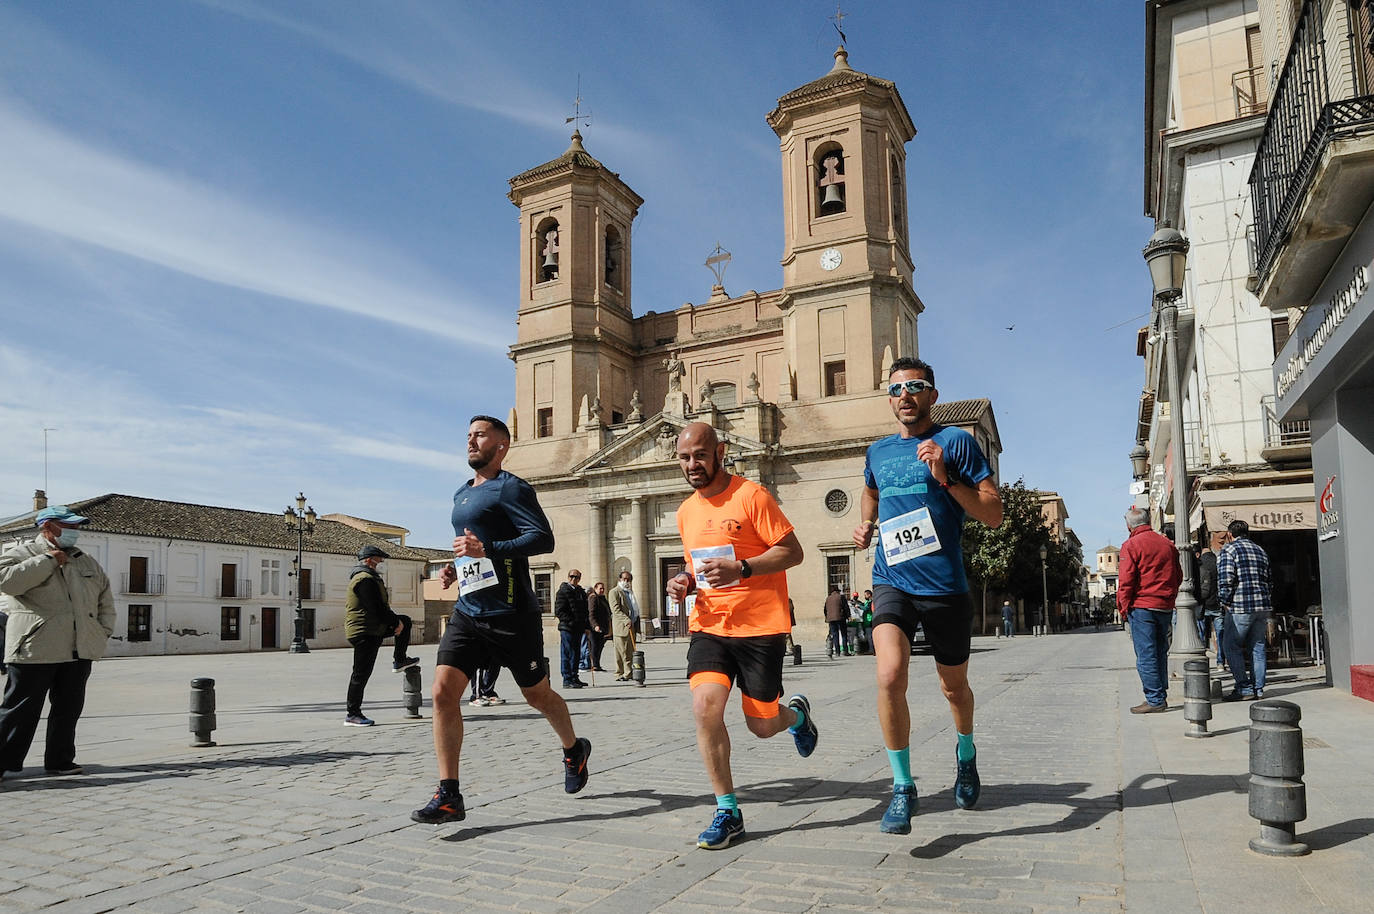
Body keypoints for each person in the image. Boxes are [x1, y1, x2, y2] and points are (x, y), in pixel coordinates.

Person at [411, 415, 591, 824]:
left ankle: (573, 749)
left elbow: (542, 538)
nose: (470, 441)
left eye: (480, 435)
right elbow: (470, 546)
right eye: (468, 435)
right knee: (442, 693)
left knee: (538, 696)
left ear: (501, 445)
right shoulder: (461, 493)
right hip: (468, 611)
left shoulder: (512, 488)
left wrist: (487, 548)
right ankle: (449, 795)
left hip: (512, 614)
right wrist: (456, 568)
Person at [851, 357, 1003, 835]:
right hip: (890, 578)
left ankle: (966, 753)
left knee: (953, 688)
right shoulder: (877, 451)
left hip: (944, 585)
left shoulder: (956, 442)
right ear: (889, 398)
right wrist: (867, 524)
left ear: (932, 395)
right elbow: (870, 492)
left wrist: (945, 477)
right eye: (896, 389)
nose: (905, 395)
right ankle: (902, 786)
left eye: (915, 386)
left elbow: (993, 514)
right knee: (889, 675)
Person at [666, 422, 817, 849]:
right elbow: (696, 565)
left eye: (700, 455)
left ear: (720, 452)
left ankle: (796, 717)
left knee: (762, 726)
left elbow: (793, 552)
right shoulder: (686, 511)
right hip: (710, 625)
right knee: (705, 708)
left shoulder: (752, 496)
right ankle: (727, 811)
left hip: (760, 627)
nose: (692, 465)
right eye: (684, 458)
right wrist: (683, 581)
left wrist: (743, 568)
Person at [0, 505, 114, 780]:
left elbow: (105, 599)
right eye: (69, 526)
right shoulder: (22, 554)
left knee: (68, 709)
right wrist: (48, 560)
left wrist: (102, 631)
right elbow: (6, 582)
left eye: (76, 527)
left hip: (79, 648)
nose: (75, 531)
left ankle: (60, 760)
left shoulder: (86, 561)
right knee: (20, 709)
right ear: (47, 526)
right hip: (35, 647)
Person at [343, 545, 418, 726]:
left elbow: (380, 608)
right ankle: (352, 714)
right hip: (364, 631)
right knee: (360, 674)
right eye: (379, 560)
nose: (381, 563)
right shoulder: (364, 580)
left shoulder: (369, 577)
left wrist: (396, 622)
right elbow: (375, 607)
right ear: (369, 560)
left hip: (373, 628)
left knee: (405, 621)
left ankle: (400, 660)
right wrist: (394, 622)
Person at [1117, 507, 1181, 714]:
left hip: (1142, 606)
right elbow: (1178, 575)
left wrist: (1123, 607)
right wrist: (1170, 596)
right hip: (1164, 606)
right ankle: (1160, 694)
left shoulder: (1130, 545)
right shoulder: (1167, 544)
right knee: (1161, 651)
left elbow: (1126, 580)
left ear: (1129, 526)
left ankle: (1155, 699)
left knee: (1146, 654)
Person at [1218, 520, 1272, 701]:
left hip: (1240, 606)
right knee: (1257, 647)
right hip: (1261, 605)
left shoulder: (1229, 550)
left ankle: (1244, 688)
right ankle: (1258, 689)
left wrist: (1225, 601)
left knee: (1231, 646)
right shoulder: (1260, 550)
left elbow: (1226, 578)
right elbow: (1269, 580)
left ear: (1230, 534)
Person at [1197, 531, 1228, 671]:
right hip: (1217, 604)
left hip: (1202, 605)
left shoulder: (1199, 565)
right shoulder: (1218, 562)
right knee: (1220, 635)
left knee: (1201, 635)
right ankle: (1220, 662)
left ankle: (1202, 662)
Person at [553, 570, 590, 689]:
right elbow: (559, 611)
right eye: (572, 576)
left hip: (579, 628)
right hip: (567, 628)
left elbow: (585, 611)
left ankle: (574, 676)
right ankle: (567, 679)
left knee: (576, 653)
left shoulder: (581, 592)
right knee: (567, 653)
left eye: (577, 577)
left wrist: (586, 626)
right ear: (568, 577)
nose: (574, 579)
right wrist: (571, 622)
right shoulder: (563, 591)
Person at [609, 570, 638, 681]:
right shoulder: (614, 592)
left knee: (629, 652)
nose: (626, 581)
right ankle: (623, 673)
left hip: (631, 626)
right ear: (620, 579)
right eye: (624, 579)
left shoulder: (629, 592)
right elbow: (615, 610)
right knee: (622, 652)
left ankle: (626, 672)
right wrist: (626, 620)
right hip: (622, 627)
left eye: (628, 579)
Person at [586, 582, 611, 672]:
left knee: (600, 646)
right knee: (594, 646)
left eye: (603, 588)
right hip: (594, 628)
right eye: (600, 588)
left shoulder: (603, 598)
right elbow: (591, 613)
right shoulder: (593, 598)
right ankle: (594, 665)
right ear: (595, 589)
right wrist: (595, 625)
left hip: (603, 627)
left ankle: (597, 664)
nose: (602, 590)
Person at [823, 587, 850, 658]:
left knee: (835, 635)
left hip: (831, 619)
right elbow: (846, 607)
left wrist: (827, 617)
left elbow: (825, 609)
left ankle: (837, 652)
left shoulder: (828, 598)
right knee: (844, 634)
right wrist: (848, 616)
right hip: (841, 617)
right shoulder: (841, 597)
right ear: (837, 591)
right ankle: (845, 651)